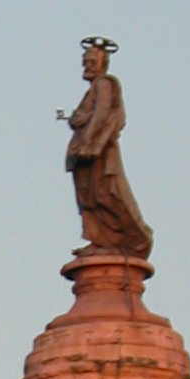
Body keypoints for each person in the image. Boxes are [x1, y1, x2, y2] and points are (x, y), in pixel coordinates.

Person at [60, 38, 153, 258]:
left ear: (102, 63)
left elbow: (102, 114)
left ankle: (132, 239)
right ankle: (98, 239)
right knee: (89, 195)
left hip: (97, 153)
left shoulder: (105, 84)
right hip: (85, 156)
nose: (87, 65)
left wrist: (88, 140)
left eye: (92, 61)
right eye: (85, 61)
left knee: (106, 193)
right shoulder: (92, 90)